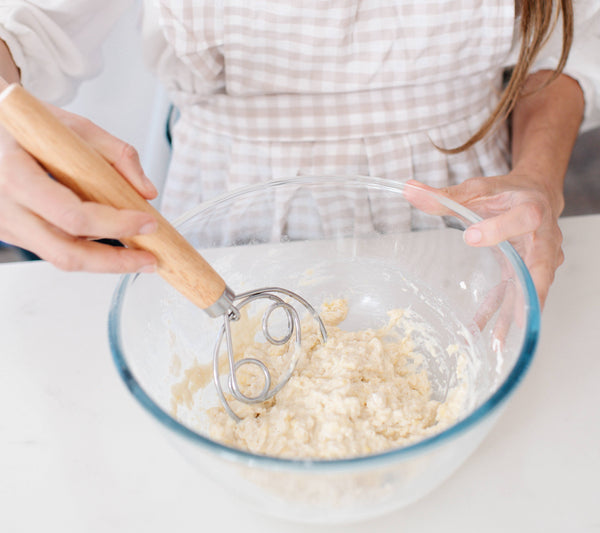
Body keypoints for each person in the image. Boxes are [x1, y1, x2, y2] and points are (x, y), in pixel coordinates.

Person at [0, 1, 598, 309]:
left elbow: (569, 43)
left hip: (467, 210)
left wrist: (537, 177)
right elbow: (22, 24)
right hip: (227, 208)